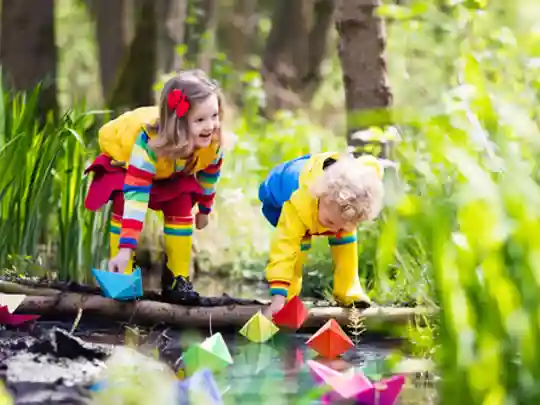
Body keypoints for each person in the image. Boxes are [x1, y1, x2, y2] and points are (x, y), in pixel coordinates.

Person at [84, 69, 224, 303]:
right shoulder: (147, 145)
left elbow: (210, 174)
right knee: (122, 200)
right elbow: (136, 197)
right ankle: (123, 272)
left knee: (180, 204)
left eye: (214, 116)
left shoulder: (213, 141)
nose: (210, 125)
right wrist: (126, 249)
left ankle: (177, 279)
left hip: (174, 169)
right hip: (128, 166)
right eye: (200, 120)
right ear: (178, 124)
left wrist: (205, 209)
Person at [259, 152, 385, 318]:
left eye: (339, 226)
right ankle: (288, 295)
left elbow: (368, 172)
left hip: (320, 189)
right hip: (274, 197)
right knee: (298, 245)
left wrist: (338, 226)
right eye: (331, 223)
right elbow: (284, 249)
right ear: (321, 197)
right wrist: (278, 298)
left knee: (345, 236)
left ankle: (348, 289)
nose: (333, 231)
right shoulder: (298, 204)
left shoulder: (345, 206)